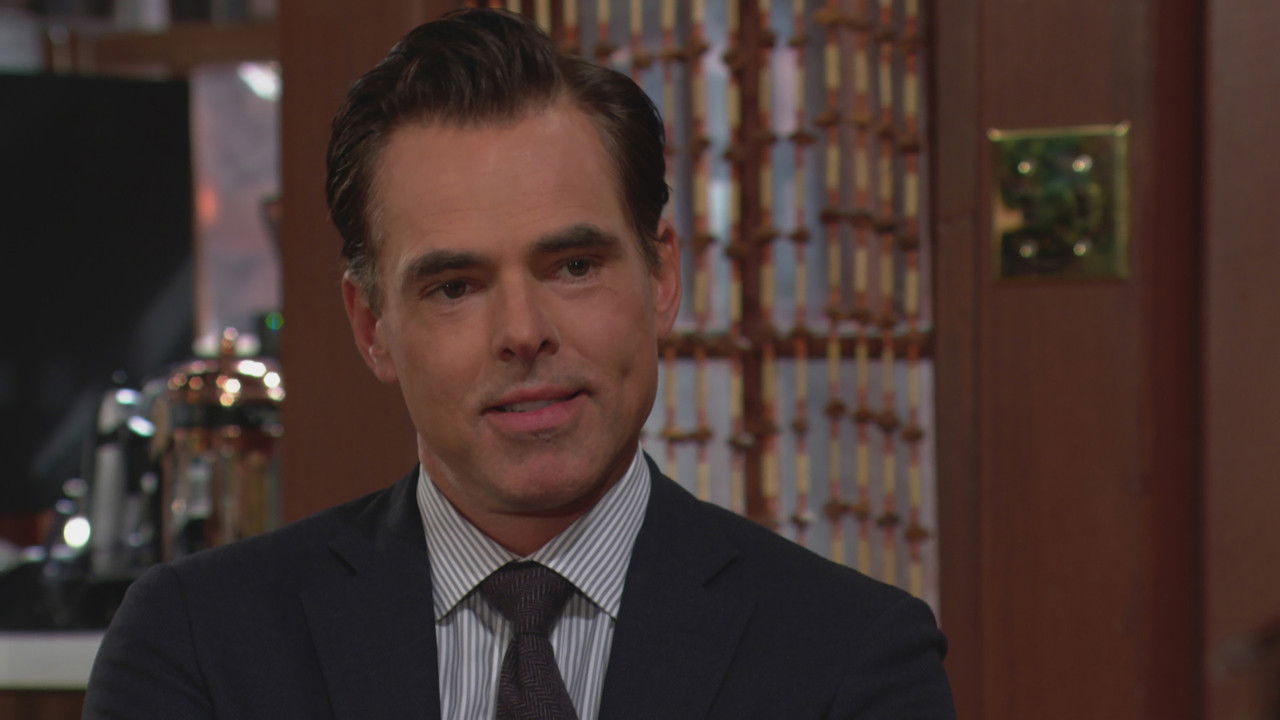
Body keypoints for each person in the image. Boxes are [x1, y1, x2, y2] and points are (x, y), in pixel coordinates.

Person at [84, 8, 954, 719]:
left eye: (573, 267)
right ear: (372, 326)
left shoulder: (850, 656)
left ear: (662, 278)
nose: (523, 331)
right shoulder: (200, 645)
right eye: (455, 287)